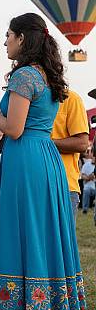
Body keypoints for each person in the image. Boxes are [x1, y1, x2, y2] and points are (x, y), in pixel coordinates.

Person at [0, 12, 88, 310]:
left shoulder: (25, 76)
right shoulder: (49, 76)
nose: (5, 41)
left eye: (9, 35)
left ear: (23, 39)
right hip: (47, 160)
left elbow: (13, 128)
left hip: (26, 158)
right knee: (46, 238)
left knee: (27, 236)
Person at [51, 90, 89, 219]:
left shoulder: (71, 98)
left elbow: (82, 144)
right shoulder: (25, 101)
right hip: (30, 185)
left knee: (62, 239)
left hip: (63, 187)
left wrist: (43, 143)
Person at [81, 151, 95, 218]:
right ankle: (85, 209)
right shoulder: (86, 164)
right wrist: (90, 177)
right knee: (86, 190)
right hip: (88, 185)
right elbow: (82, 176)